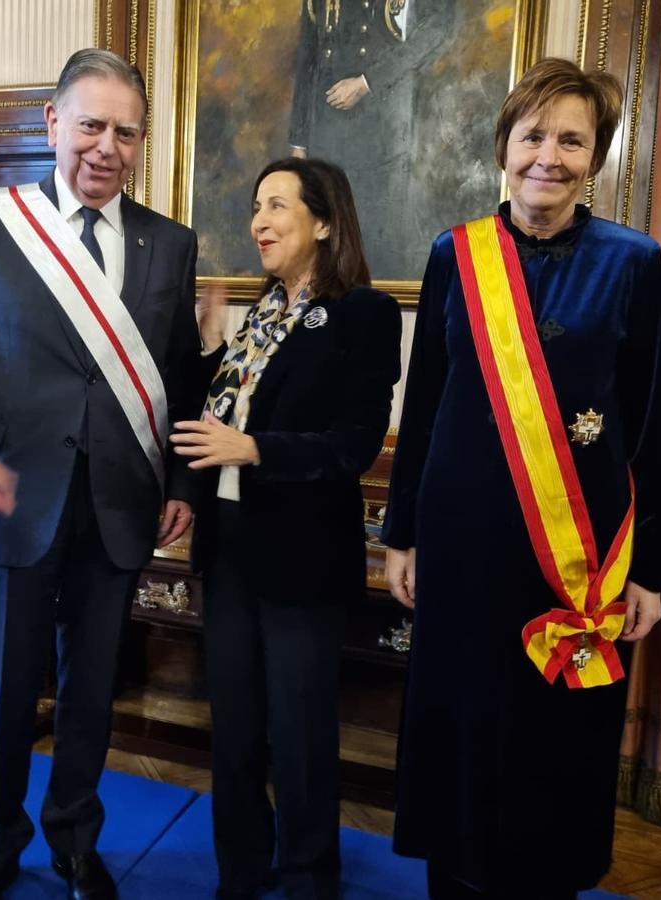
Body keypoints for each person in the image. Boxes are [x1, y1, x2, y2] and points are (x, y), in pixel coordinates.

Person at [0, 49, 203, 900]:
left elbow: (179, 376)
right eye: (91, 125)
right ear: (53, 125)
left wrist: (180, 486)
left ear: (142, 142)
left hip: (117, 509)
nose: (107, 146)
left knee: (91, 692)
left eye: (126, 131)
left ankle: (77, 842)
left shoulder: (169, 245)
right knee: (1, 700)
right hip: (9, 509)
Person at [382, 58, 661, 898]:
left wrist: (648, 570)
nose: (550, 155)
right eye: (533, 134)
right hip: (465, 544)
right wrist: (401, 533)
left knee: (556, 742)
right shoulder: (456, 254)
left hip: (578, 556)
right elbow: (426, 402)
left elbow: (649, 419)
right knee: (462, 729)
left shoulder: (633, 261)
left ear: (597, 157)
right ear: (504, 146)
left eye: (572, 139)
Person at [172, 157, 402, 899]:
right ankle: (241, 869)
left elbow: (354, 444)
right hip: (231, 548)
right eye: (255, 207)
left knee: (300, 734)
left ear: (325, 220)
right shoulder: (260, 313)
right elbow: (215, 420)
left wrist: (258, 449)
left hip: (302, 557)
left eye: (276, 207)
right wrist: (209, 346)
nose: (259, 223)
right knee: (234, 727)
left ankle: (308, 877)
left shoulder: (363, 313)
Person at [290, 0, 453, 276]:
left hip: (383, 134)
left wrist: (367, 82)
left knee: (374, 246)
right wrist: (299, 143)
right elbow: (308, 55)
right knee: (326, 249)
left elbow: (437, 29)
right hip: (325, 134)